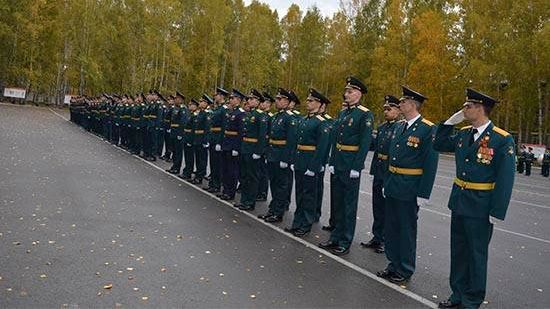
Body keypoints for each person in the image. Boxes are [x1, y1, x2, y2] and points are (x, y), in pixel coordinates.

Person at [434, 88, 515, 309]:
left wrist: (497, 211)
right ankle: (457, 294)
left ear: (480, 109)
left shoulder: (501, 139)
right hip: (459, 201)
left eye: (467, 106)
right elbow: (438, 143)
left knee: (476, 254)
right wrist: (450, 122)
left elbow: (505, 178)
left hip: (481, 205)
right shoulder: (463, 134)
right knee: (458, 252)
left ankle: (472, 299)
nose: (464, 109)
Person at [377, 85, 438, 283]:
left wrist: (424, 193)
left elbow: (430, 163)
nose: (399, 104)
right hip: (394, 182)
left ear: (412, 104)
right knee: (392, 227)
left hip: (410, 186)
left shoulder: (427, 129)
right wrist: (386, 181)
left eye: (403, 101)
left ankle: (405, 268)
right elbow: (390, 159)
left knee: (406, 229)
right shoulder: (398, 126)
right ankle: (393, 264)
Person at [318, 76, 374, 256]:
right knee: (338, 202)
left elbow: (365, 143)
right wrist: (332, 161)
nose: (346, 94)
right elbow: (336, 140)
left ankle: (344, 241)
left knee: (349, 206)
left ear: (358, 93)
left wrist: (357, 167)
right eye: (346, 91)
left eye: (350, 91)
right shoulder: (343, 113)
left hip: (351, 165)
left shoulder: (364, 114)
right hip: (339, 162)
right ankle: (335, 237)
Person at [285, 88, 331, 237]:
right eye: (308, 100)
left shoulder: (321, 122)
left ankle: (306, 224)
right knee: (299, 194)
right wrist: (293, 160)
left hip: (310, 162)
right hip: (300, 161)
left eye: (311, 101)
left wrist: (314, 166)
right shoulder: (304, 120)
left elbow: (322, 147)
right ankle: (297, 222)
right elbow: (296, 142)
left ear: (319, 103)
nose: (307, 102)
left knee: (309, 196)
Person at [360, 95, 401, 254]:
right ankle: (377, 237)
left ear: (398, 110)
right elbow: (376, 148)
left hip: (389, 172)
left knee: (388, 210)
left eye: (389, 109)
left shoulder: (399, 128)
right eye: (384, 109)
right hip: (379, 169)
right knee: (377, 207)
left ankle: (386, 240)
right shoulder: (383, 127)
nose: (386, 111)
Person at [257, 88, 297, 223]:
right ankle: (272, 210)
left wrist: (286, 159)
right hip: (273, 154)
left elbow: (291, 140)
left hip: (281, 156)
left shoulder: (289, 118)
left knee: (281, 185)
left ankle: (278, 212)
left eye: (280, 99)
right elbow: (270, 137)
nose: (277, 101)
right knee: (273, 183)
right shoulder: (275, 117)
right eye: (277, 99)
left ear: (287, 101)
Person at [234, 89, 269, 211]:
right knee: (244, 176)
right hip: (245, 148)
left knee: (252, 177)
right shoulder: (249, 114)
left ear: (258, 101)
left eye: (252, 99)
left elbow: (262, 136)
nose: (249, 101)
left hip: (253, 149)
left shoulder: (261, 116)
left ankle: (250, 202)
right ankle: (244, 200)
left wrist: (258, 152)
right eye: (248, 99)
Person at [219, 89, 246, 200]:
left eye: (232, 98)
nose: (230, 100)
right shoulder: (231, 112)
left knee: (232, 170)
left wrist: (236, 147)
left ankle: (230, 192)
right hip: (226, 144)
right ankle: (225, 190)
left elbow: (240, 133)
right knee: (225, 169)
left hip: (233, 145)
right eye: (230, 98)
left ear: (238, 100)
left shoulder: (241, 113)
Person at [205, 87, 229, 193]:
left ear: (222, 96)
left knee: (217, 164)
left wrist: (220, 142)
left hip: (218, 138)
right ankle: (212, 183)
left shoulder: (224, 109)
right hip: (213, 137)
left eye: (217, 95)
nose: (215, 97)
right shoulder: (217, 108)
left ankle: (217, 184)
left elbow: (224, 127)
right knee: (213, 162)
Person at [256, 92, 275, 201]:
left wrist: (265, 149)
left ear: (268, 104)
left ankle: (262, 193)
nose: (261, 104)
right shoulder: (261, 115)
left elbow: (269, 135)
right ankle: (258, 190)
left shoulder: (270, 117)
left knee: (263, 172)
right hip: (260, 146)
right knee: (258, 170)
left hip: (266, 148)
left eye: (264, 102)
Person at [191, 95, 212, 185]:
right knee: (198, 158)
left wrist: (206, 140)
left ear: (206, 103)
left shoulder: (207, 113)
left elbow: (208, 128)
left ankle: (200, 176)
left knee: (202, 159)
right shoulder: (201, 112)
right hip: (197, 138)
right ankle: (198, 174)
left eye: (202, 101)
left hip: (202, 138)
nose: (200, 103)